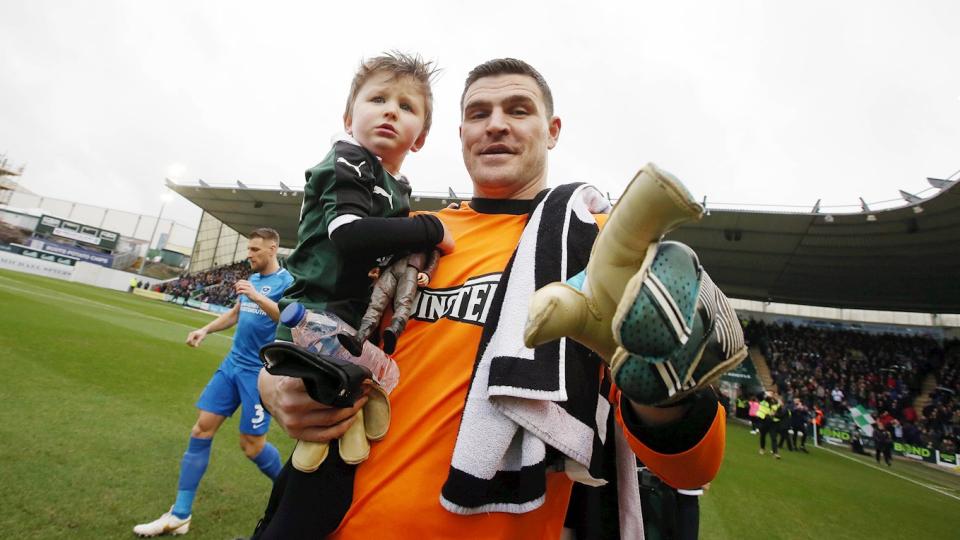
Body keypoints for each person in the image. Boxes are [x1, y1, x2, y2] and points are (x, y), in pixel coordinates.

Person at [253, 58, 744, 539]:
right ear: (461, 133)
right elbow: (320, 320)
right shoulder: (408, 235)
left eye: (518, 110)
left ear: (552, 130)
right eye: (478, 113)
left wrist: (664, 390)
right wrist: (272, 385)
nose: (495, 125)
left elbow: (693, 469)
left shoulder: (600, 248)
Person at [133, 228, 293, 537]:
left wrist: (256, 296)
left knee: (252, 446)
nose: (249, 254)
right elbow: (236, 313)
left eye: (255, 250)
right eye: (248, 249)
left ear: (273, 248)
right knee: (201, 429)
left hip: (259, 373)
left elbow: (286, 319)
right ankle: (180, 515)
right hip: (232, 365)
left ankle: (290, 494)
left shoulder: (287, 283)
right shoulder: (252, 279)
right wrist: (205, 329)